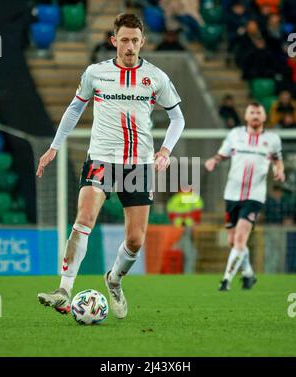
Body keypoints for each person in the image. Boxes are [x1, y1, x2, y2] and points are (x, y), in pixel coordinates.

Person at [36, 13, 185, 318]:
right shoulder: (96, 73)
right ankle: (64, 290)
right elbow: (75, 108)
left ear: (143, 41)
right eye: (124, 40)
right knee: (84, 217)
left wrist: (166, 150)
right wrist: (54, 147)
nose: (129, 46)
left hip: (139, 165)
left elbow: (177, 118)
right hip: (101, 159)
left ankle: (114, 279)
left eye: (135, 40)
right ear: (114, 41)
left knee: (135, 240)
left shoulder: (156, 77)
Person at [205, 102, 285, 291]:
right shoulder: (235, 135)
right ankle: (248, 274)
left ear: (264, 117)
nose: (256, 115)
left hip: (254, 196)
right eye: (252, 112)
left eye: (259, 112)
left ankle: (226, 280)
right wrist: (213, 161)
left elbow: (277, 160)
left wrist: (279, 171)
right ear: (246, 116)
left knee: (240, 239)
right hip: (232, 194)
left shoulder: (272, 139)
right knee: (234, 242)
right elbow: (221, 155)